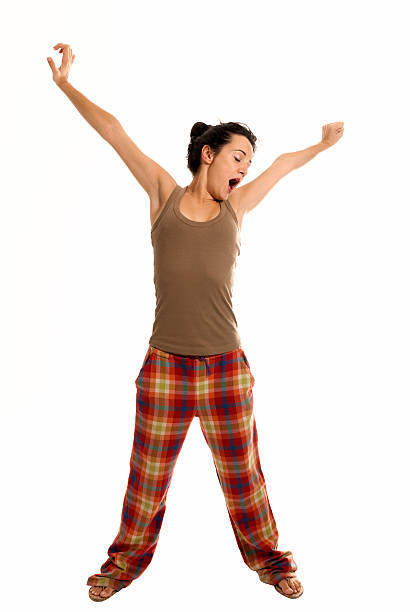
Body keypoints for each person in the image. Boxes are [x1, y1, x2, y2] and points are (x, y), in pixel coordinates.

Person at [47, 43, 344, 603]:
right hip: (164, 367)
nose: (245, 169)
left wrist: (321, 146)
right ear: (208, 154)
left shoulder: (236, 208)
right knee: (146, 482)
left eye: (248, 163)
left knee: (243, 479)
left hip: (227, 367)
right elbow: (114, 132)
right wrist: (65, 85)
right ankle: (121, 567)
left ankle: (272, 562)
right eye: (238, 158)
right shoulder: (162, 194)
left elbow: (282, 166)